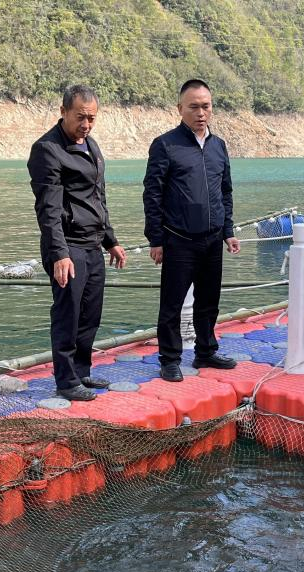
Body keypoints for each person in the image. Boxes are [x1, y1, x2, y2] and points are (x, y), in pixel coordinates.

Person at [28, 85, 127, 401]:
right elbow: (48, 209)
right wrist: (59, 254)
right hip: (67, 246)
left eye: (92, 118)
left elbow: (99, 197)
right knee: (68, 314)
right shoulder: (47, 150)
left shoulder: (91, 145)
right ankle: (66, 381)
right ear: (63, 112)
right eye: (80, 117)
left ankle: (82, 371)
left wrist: (110, 240)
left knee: (90, 314)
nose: (86, 125)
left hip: (92, 244)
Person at [143, 79, 240, 382]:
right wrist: (156, 239)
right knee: (172, 304)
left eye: (206, 106)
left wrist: (228, 230)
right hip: (178, 240)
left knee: (209, 301)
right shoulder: (166, 145)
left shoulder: (218, 146)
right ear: (180, 109)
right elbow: (152, 194)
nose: (201, 113)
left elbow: (225, 191)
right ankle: (170, 359)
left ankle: (206, 351)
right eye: (194, 107)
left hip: (212, 240)